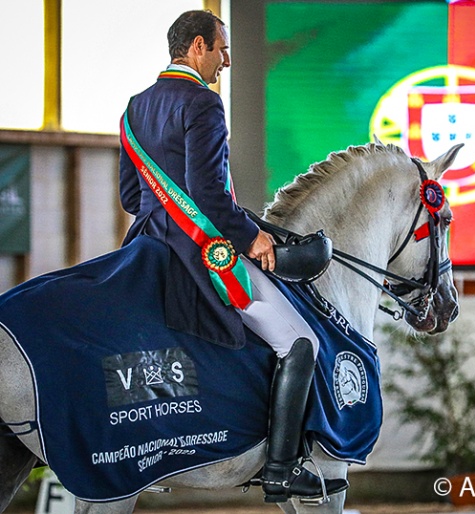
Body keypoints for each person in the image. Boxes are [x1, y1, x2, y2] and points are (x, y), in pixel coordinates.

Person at [118, 10, 348, 503]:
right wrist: (252, 238)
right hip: (197, 253)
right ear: (197, 46)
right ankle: (283, 468)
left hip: (144, 247)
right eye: (222, 49)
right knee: (299, 341)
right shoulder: (202, 103)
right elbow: (208, 194)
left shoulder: (133, 109)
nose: (226, 60)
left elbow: (130, 198)